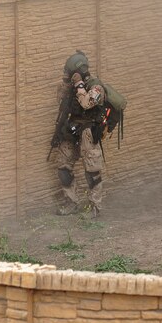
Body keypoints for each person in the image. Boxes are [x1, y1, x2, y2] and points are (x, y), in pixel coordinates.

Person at [50, 51, 107, 218]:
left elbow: (87, 103)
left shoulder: (96, 87)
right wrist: (69, 85)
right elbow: (60, 99)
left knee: (92, 171)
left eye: (69, 72)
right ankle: (71, 202)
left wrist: (80, 86)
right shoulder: (71, 87)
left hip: (89, 133)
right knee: (62, 167)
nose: (67, 75)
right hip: (72, 130)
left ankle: (95, 206)